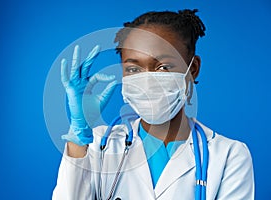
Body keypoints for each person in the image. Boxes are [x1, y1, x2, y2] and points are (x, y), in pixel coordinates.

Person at [52, 9, 254, 200]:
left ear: (192, 69)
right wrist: (78, 136)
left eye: (163, 67)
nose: (148, 79)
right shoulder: (99, 145)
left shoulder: (229, 155)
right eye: (133, 69)